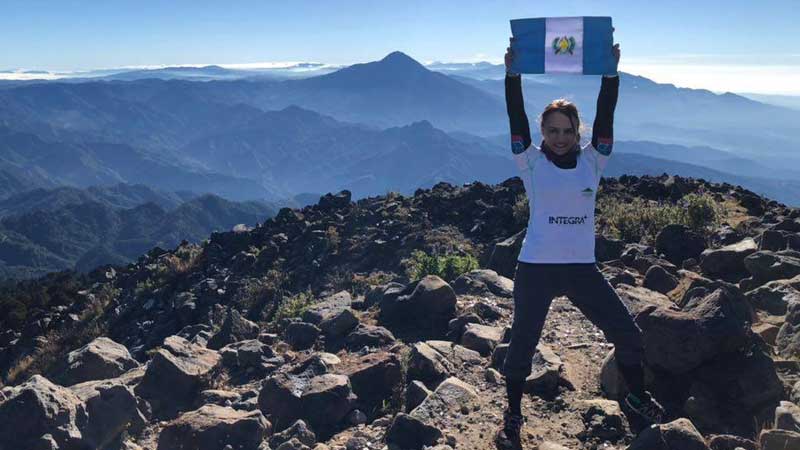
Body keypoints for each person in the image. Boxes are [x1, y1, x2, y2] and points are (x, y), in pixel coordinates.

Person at [495, 38, 666, 449]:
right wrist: (511, 74)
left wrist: (611, 72)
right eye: (552, 131)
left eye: (567, 131)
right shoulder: (529, 160)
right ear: (542, 133)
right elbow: (514, 116)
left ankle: (636, 397)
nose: (559, 137)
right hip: (535, 266)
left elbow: (607, 113)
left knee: (627, 334)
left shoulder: (594, 159)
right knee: (523, 343)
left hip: (580, 269)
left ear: (578, 132)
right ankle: (513, 411)